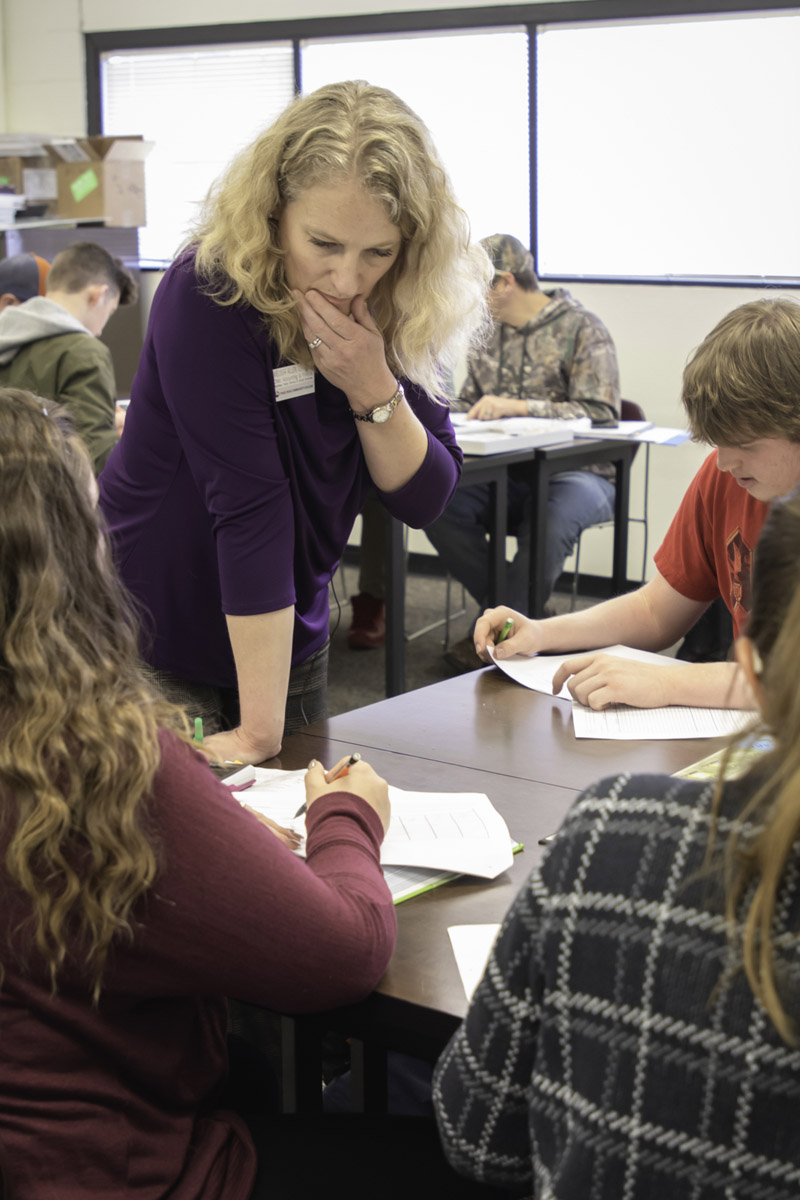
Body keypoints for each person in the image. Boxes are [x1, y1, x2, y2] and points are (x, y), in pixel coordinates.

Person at [0, 388, 399, 1198]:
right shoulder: (92, 761)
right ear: (71, 555)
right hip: (116, 1167)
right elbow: (346, 953)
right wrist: (347, 818)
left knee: (253, 1069)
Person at [99, 80, 491, 765]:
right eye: (324, 243)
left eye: (378, 251)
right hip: (159, 612)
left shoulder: (399, 300)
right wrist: (258, 730)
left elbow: (426, 495)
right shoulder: (210, 289)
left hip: (287, 615)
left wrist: (372, 384)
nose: (346, 280)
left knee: (291, 840)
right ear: (274, 214)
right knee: (178, 851)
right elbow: (250, 509)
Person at [433, 486, 800, 1199]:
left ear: (748, 670)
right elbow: (662, 603)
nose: (727, 466)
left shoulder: (614, 832)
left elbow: (476, 1135)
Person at [476, 297, 800, 711]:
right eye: (717, 442)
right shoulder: (724, 480)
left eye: (746, 445)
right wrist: (542, 634)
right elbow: (656, 611)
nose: (724, 462)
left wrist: (668, 683)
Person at [424, 233, 621, 672]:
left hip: (581, 474)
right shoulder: (485, 334)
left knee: (552, 515)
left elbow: (602, 410)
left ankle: (502, 637)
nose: (466, 298)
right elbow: (467, 405)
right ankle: (521, 622)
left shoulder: (582, 328)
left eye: (476, 287)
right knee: (437, 500)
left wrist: (520, 407)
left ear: (505, 283)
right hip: (507, 474)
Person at [0, 241, 136, 473]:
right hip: (45, 497)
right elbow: (96, 461)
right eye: (109, 312)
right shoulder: (84, 352)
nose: (100, 331)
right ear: (98, 296)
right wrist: (115, 437)